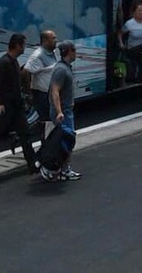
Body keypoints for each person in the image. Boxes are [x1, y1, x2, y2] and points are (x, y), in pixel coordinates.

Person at [0, 33, 37, 176]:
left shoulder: (13, 61)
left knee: (25, 134)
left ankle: (32, 163)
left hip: (16, 106)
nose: (24, 48)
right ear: (17, 45)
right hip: (6, 107)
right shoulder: (4, 62)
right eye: (23, 45)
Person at [46, 40, 81, 181]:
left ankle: (62, 169)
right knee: (66, 141)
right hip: (63, 112)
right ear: (68, 52)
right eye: (74, 50)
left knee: (65, 141)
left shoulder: (65, 67)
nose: (76, 53)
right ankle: (58, 169)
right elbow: (55, 91)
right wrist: (59, 111)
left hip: (66, 110)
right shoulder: (61, 70)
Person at [23, 30, 58, 123]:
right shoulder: (37, 56)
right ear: (45, 41)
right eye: (53, 38)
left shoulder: (53, 52)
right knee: (47, 121)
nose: (56, 40)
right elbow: (25, 72)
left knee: (54, 119)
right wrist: (28, 93)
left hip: (52, 93)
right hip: (42, 95)